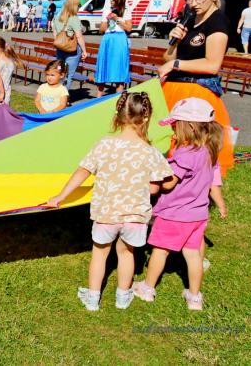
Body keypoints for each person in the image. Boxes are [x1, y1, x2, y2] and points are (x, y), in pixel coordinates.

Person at [47, 92, 173, 311]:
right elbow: (154, 188)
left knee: (99, 254)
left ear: (117, 116)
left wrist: (61, 196)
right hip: (135, 216)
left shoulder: (104, 145)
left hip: (106, 213)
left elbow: (83, 171)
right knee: (127, 253)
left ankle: (92, 299)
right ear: (146, 118)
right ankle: (123, 298)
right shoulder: (151, 152)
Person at [133, 98, 228, 310]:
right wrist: (220, 204)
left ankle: (147, 288)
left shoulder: (186, 154)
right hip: (198, 215)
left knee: (160, 251)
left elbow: (169, 184)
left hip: (175, 214)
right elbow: (212, 182)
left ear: (190, 126)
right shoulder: (210, 151)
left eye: (176, 125)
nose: (173, 129)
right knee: (193, 255)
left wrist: (153, 173)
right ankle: (194, 297)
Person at [158, 0, 234, 176]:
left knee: (192, 147)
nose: (193, 3)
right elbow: (167, 58)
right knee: (169, 144)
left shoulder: (218, 23)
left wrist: (175, 64)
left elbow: (212, 65)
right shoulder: (190, 19)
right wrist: (174, 42)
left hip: (196, 92)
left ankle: (191, 187)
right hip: (174, 89)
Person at [95, 0, 132, 97]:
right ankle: (98, 98)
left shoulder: (126, 11)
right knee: (103, 64)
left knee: (119, 67)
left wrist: (116, 19)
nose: (110, 0)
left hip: (120, 39)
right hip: (108, 38)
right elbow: (102, 29)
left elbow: (129, 28)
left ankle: (119, 97)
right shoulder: (107, 10)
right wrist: (107, 20)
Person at [53, 0, 89, 90]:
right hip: (72, 50)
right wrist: (84, 51)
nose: (79, 7)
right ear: (74, 6)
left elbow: (55, 33)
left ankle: (56, 92)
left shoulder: (58, 17)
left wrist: (60, 43)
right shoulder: (74, 18)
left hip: (60, 48)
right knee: (69, 75)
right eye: (79, 5)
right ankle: (63, 95)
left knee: (60, 72)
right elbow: (79, 36)